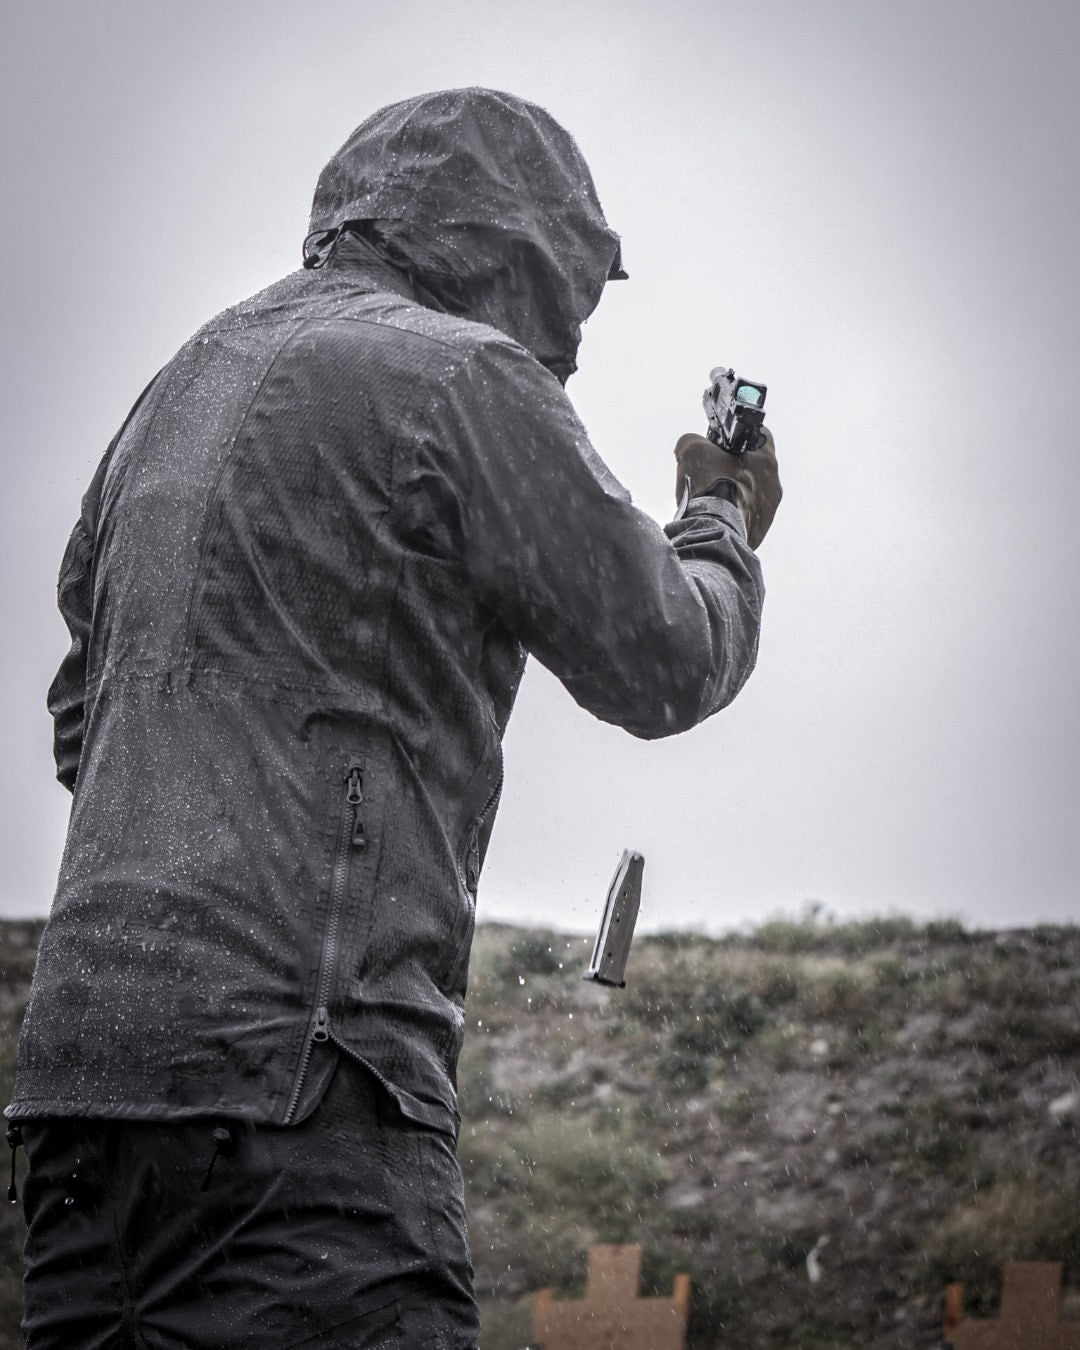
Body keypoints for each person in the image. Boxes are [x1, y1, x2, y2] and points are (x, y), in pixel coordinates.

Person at [6, 88, 781, 1348]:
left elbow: (80, 735)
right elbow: (666, 656)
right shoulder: (465, 377)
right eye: (568, 299)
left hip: (78, 1110)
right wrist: (721, 523)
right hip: (307, 1097)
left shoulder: (173, 387)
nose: (569, 351)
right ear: (507, 254)